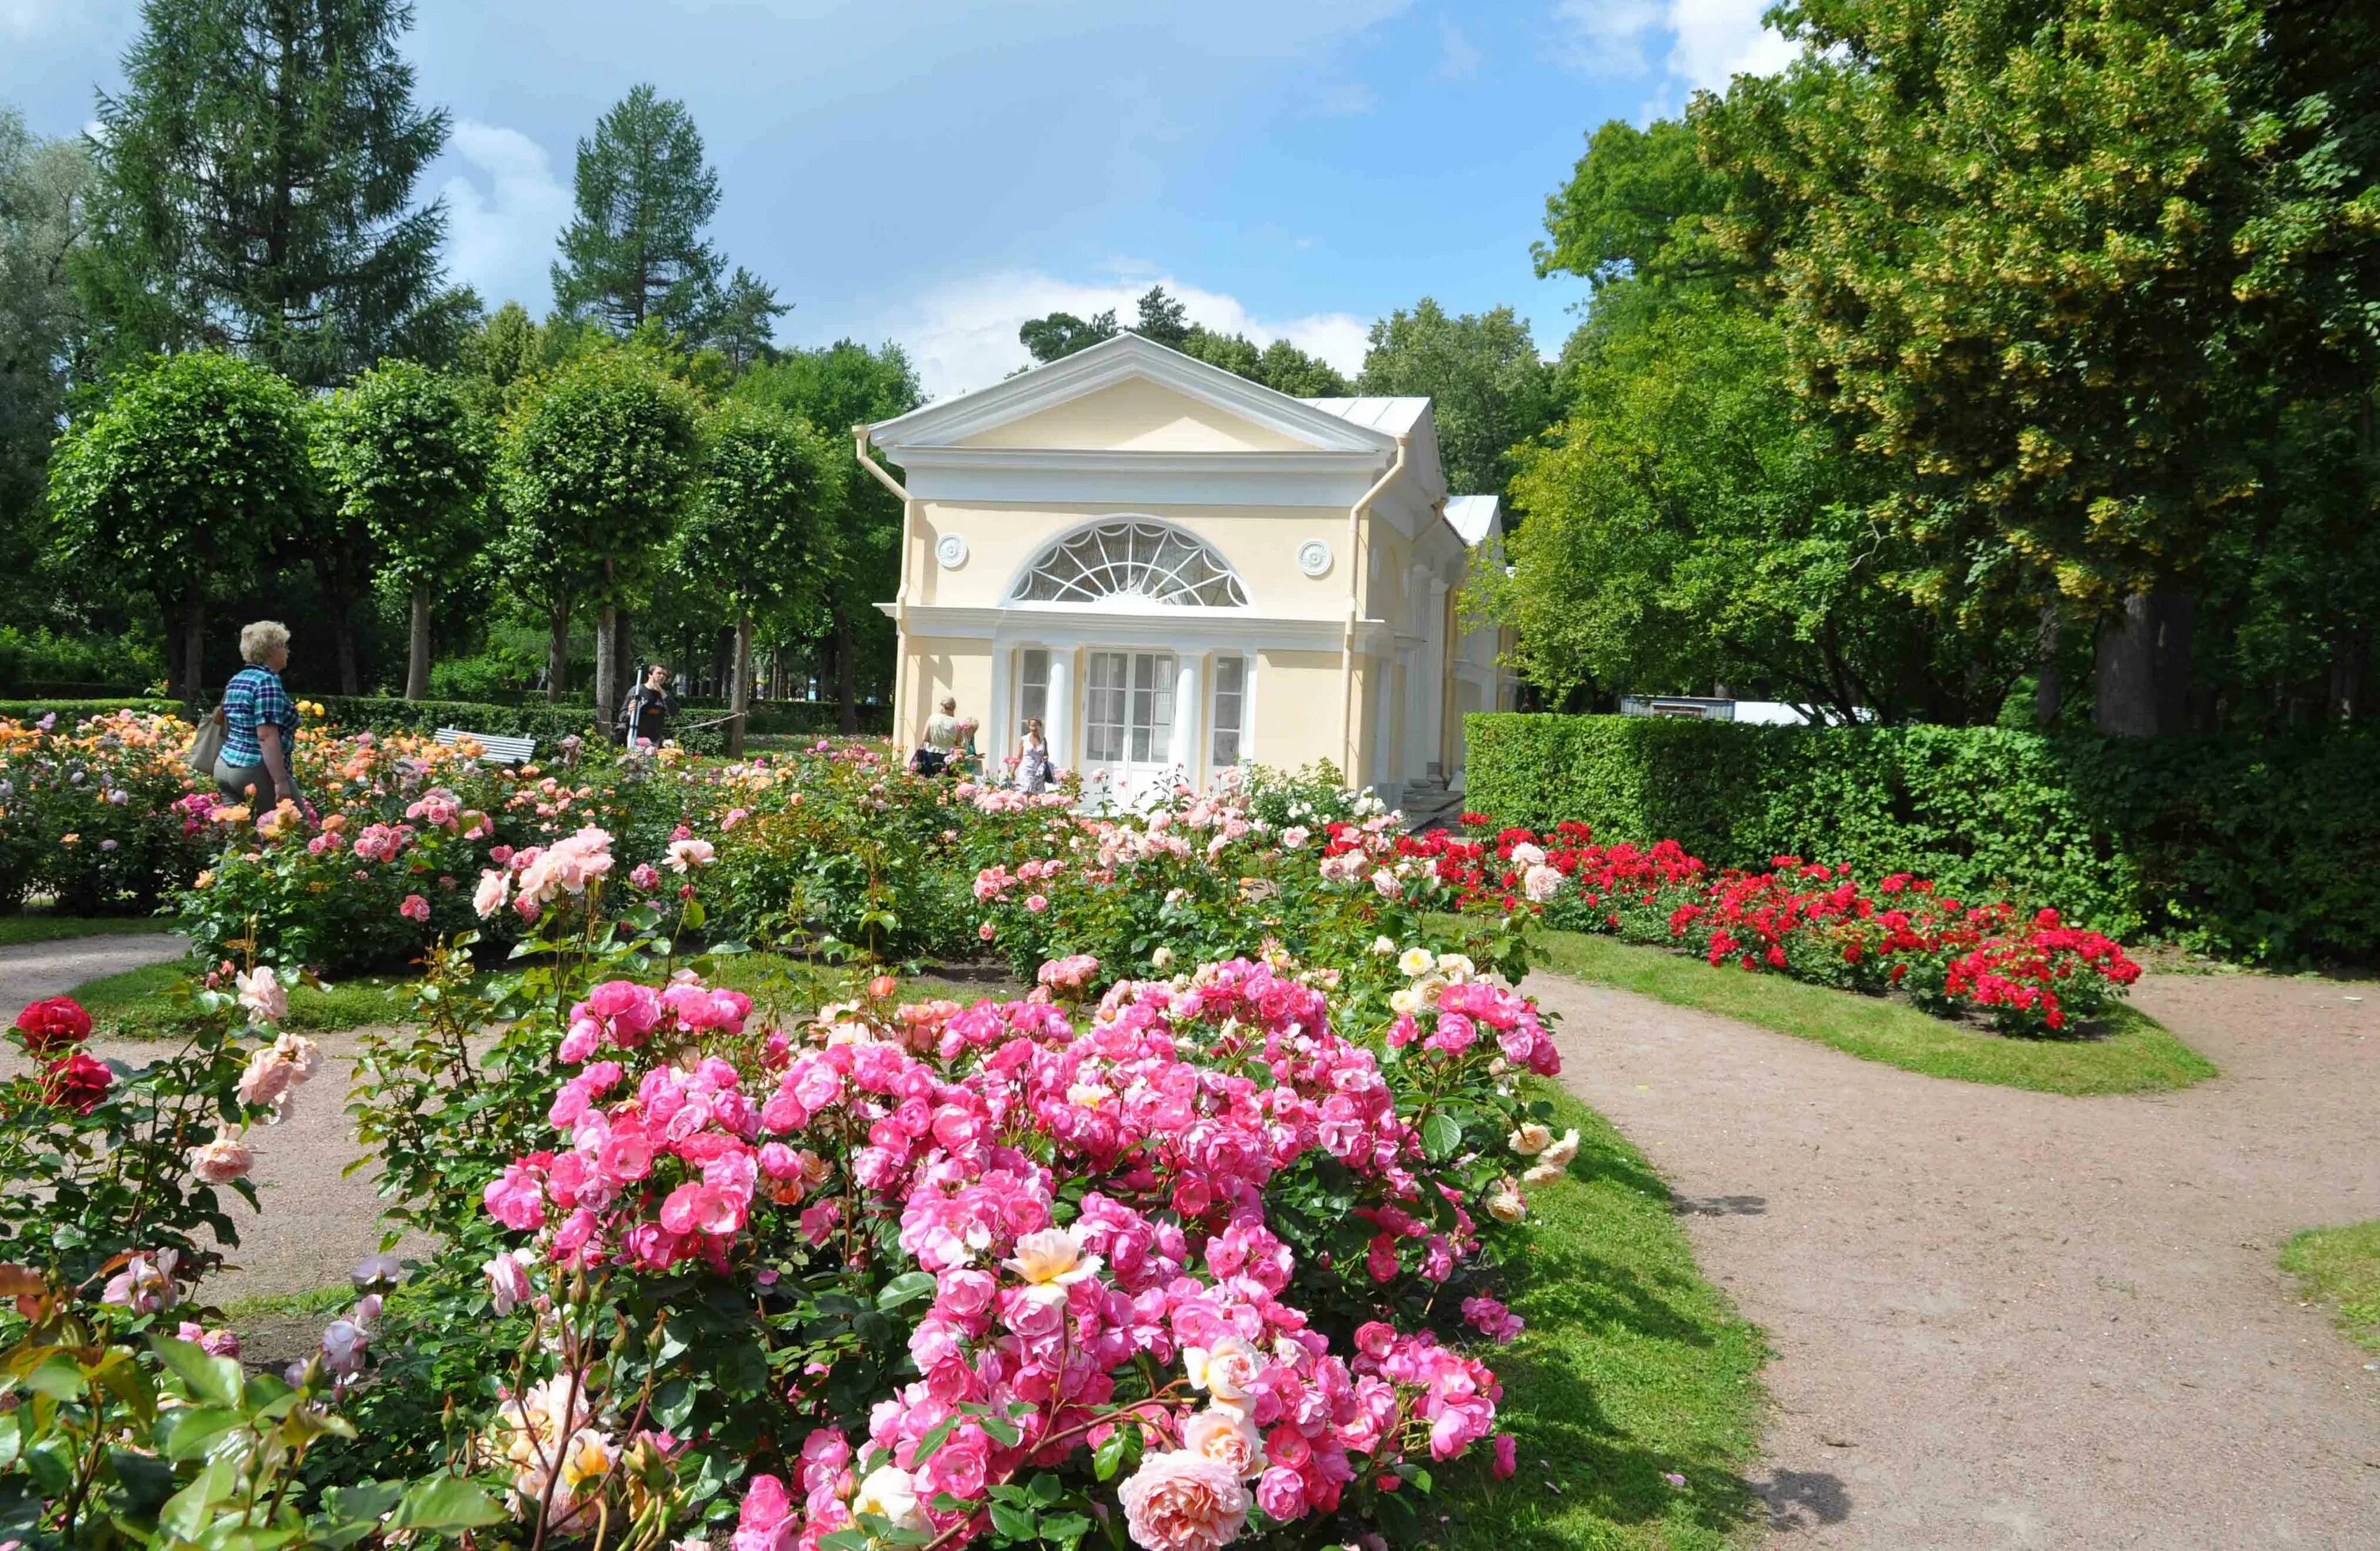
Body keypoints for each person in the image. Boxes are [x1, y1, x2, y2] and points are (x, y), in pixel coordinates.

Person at [216, 620, 307, 815]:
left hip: (225, 766)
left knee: (241, 842)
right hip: (255, 769)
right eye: (284, 646)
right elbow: (265, 735)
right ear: (271, 651)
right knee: (298, 832)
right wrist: (281, 782)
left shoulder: (238, 678)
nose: (287, 651)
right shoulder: (266, 682)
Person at [619, 663, 678, 747]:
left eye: (665, 675)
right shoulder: (637, 691)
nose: (662, 676)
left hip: (654, 739)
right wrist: (629, 713)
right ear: (650, 675)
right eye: (659, 673)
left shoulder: (664, 694)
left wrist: (661, 691)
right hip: (636, 737)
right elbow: (622, 716)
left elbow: (674, 712)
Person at [912, 695, 961, 777]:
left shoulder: (933, 718)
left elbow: (925, 738)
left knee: (931, 780)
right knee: (947, 782)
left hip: (931, 753)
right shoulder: (956, 722)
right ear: (954, 708)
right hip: (949, 756)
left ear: (941, 706)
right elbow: (959, 741)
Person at [1014, 716, 1051, 794]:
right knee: (1026, 793)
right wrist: (1013, 770)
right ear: (1029, 726)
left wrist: (1045, 758)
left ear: (1040, 726)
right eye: (1032, 726)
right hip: (1026, 771)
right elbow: (1019, 757)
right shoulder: (1024, 739)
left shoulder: (1043, 740)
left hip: (1038, 772)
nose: (1034, 728)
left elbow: (1046, 754)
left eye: (1036, 725)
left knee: (1037, 795)